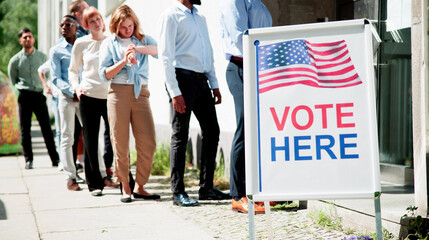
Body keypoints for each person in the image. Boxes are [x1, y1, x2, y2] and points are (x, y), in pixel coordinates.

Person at [159, 0, 229, 207]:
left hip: (201, 80)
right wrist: (174, 92)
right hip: (182, 80)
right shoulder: (170, 15)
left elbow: (207, 53)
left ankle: (206, 188)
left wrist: (214, 83)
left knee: (212, 131)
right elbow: (165, 56)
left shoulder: (200, 17)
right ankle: (178, 192)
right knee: (180, 135)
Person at [99, 5, 160, 203]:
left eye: (131, 26)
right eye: (124, 27)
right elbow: (105, 73)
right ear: (116, 26)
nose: (128, 30)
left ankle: (140, 186)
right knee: (120, 142)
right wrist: (124, 61)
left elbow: (160, 51)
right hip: (118, 94)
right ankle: (125, 185)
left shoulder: (142, 39)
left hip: (141, 92)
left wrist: (137, 48)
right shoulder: (109, 43)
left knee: (148, 141)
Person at [220, 0, 272, 213]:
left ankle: (256, 192)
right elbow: (241, 38)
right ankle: (237, 195)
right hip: (241, 68)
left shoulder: (255, 1)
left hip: (258, 67)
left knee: (258, 130)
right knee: (245, 127)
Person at [69, 7, 119, 196]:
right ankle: (95, 184)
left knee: (116, 138)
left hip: (111, 96)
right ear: (86, 25)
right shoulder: (81, 43)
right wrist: (77, 87)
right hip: (88, 96)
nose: (97, 23)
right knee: (90, 140)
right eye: (92, 21)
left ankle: (122, 177)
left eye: (98, 19)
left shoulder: (112, 40)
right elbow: (73, 70)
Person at [8, 28, 60, 169]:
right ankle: (28, 160)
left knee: (47, 129)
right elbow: (13, 79)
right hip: (24, 96)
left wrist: (43, 85)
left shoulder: (42, 57)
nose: (27, 39)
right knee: (25, 129)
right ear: (20, 41)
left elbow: (47, 74)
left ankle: (55, 159)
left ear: (33, 39)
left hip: (39, 95)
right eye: (24, 37)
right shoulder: (15, 60)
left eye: (29, 37)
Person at [50, 15, 82, 191]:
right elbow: (55, 77)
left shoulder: (84, 45)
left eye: (68, 24)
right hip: (66, 97)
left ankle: (100, 174)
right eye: (61, 24)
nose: (64, 27)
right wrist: (72, 91)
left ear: (76, 28)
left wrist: (82, 90)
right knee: (67, 136)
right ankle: (71, 177)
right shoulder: (56, 51)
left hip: (85, 96)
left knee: (93, 135)